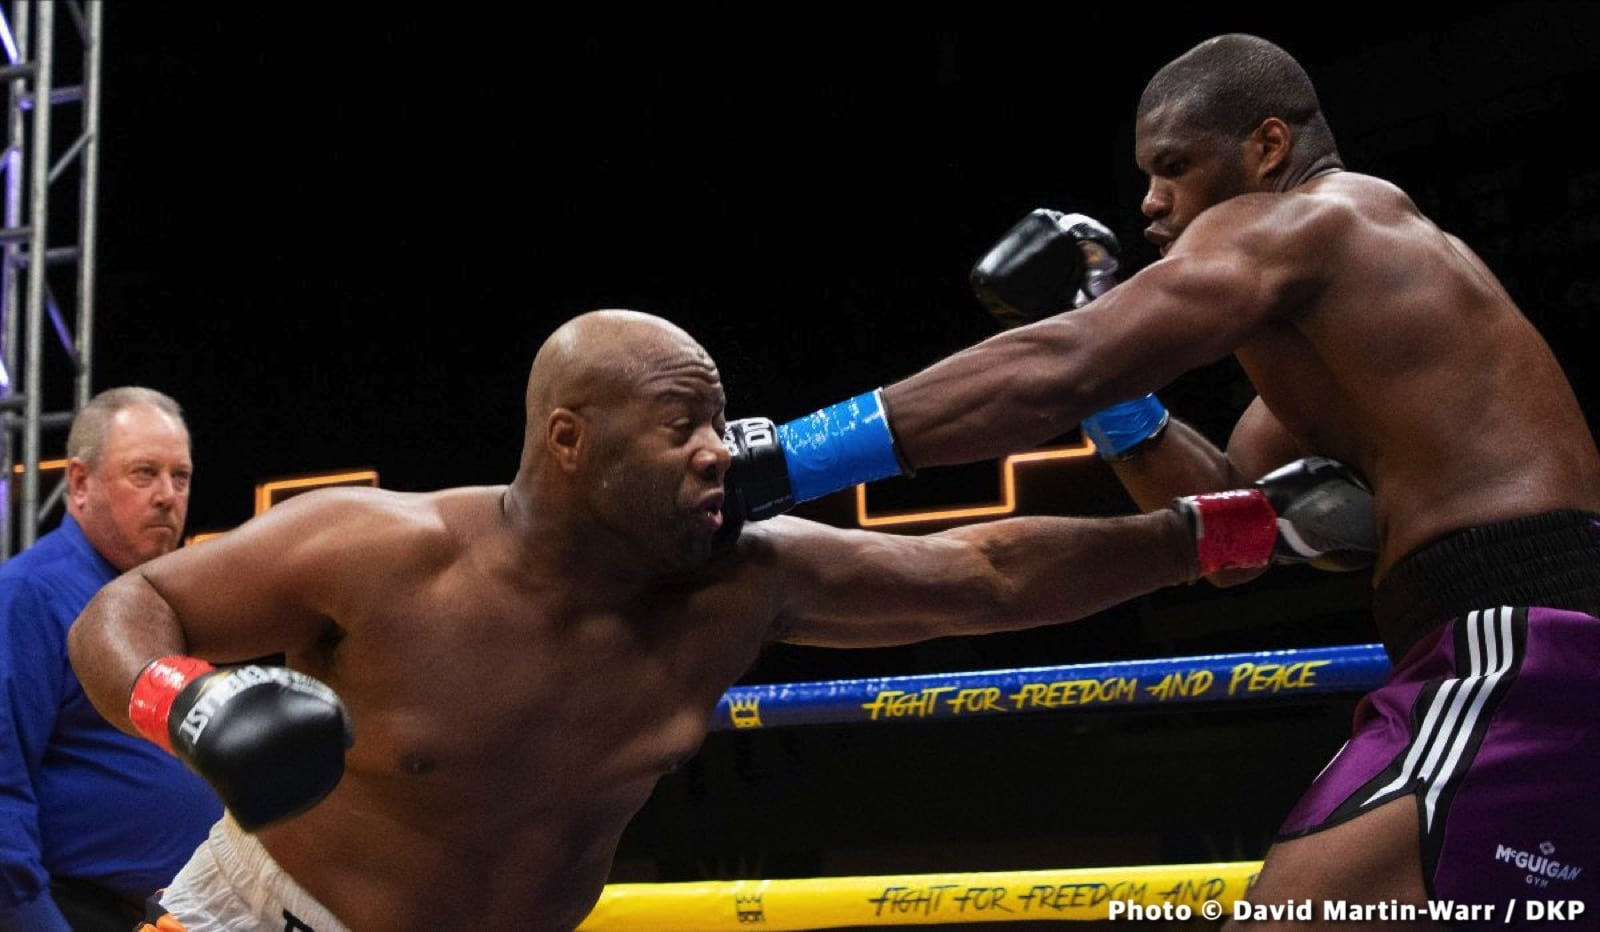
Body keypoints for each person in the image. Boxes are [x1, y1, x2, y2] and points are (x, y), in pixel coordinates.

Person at [64, 309, 1368, 932]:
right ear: (570, 444)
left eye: (721, 415)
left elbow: (989, 576)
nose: (721, 451)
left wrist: (1230, 530)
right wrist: (192, 703)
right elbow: (136, 603)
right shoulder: (386, 551)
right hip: (265, 914)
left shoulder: (749, 583)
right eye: (680, 422)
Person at [725, 31, 1600, 927]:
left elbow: (1060, 370)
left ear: (1267, 148)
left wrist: (771, 460)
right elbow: (1226, 527)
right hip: (1514, 648)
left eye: (1173, 167)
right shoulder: (1343, 330)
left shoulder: (1322, 218)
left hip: (1514, 646)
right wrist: (1104, 366)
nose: (1150, 202)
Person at [0, 387, 223, 932]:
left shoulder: (173, 603)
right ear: (79, 484)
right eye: (144, 473)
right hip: (74, 911)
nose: (168, 496)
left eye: (182, 476)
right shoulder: (27, 596)